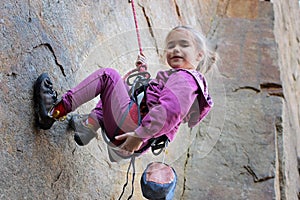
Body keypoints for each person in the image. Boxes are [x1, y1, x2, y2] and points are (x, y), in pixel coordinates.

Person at [34, 25, 216, 161]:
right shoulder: (185, 84)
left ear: (199, 55)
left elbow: (170, 111)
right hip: (130, 133)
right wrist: (143, 71)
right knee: (127, 84)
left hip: (131, 129)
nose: (175, 49)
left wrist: (140, 135)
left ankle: (54, 111)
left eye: (184, 45)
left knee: (108, 77)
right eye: (171, 45)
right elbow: (154, 100)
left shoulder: (186, 79)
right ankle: (88, 125)